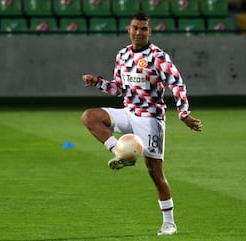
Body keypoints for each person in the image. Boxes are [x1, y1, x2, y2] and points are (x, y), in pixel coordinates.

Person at [81, 11, 202, 236]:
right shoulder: (122, 55)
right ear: (128, 29)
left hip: (151, 119)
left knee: (155, 173)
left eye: (143, 29)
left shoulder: (159, 57)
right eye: (135, 28)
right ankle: (122, 153)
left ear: (150, 31)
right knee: (90, 117)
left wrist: (184, 114)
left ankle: (169, 223)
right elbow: (119, 88)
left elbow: (177, 84)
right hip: (129, 113)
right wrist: (99, 82)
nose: (138, 32)